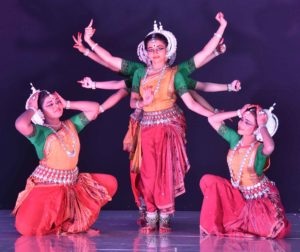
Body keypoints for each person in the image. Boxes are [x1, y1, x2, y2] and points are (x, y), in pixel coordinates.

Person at [128, 12, 230, 233]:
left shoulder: (176, 75)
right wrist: (141, 103)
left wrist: (221, 28)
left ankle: (164, 217)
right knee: (147, 173)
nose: (155, 53)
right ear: (145, 52)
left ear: (168, 51)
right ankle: (151, 213)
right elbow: (132, 102)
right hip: (146, 128)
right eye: (151, 49)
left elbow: (192, 103)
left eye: (159, 48)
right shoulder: (139, 74)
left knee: (163, 172)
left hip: (168, 128)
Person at [13, 85, 118, 235]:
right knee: (26, 228)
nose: (56, 105)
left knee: (110, 183)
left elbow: (95, 108)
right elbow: (20, 124)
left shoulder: (71, 125)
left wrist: (68, 103)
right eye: (50, 104)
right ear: (40, 111)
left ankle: (67, 221)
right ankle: (60, 223)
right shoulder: (39, 133)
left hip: (71, 187)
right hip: (47, 189)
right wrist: (31, 108)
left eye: (56, 101)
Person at [199, 104, 290, 238]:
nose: (241, 123)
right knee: (208, 180)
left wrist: (262, 124)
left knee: (273, 227)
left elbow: (270, 147)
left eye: (247, 122)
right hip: (238, 196)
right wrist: (238, 112)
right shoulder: (235, 139)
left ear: (256, 129)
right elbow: (212, 119)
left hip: (258, 201)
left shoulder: (259, 149)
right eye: (242, 119)